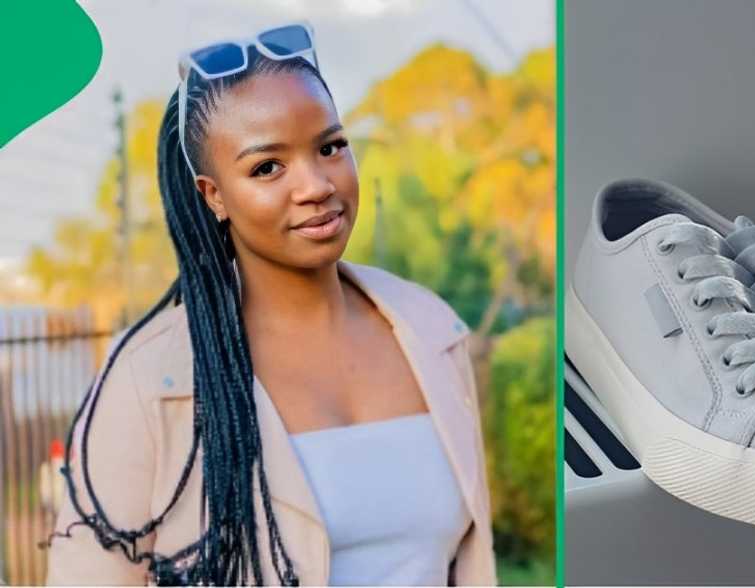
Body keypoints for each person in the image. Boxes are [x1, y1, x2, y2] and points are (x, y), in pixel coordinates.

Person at [44, 22, 496, 586]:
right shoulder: (148, 380)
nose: (315, 185)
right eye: (267, 167)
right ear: (214, 196)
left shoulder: (429, 330)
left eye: (330, 147)